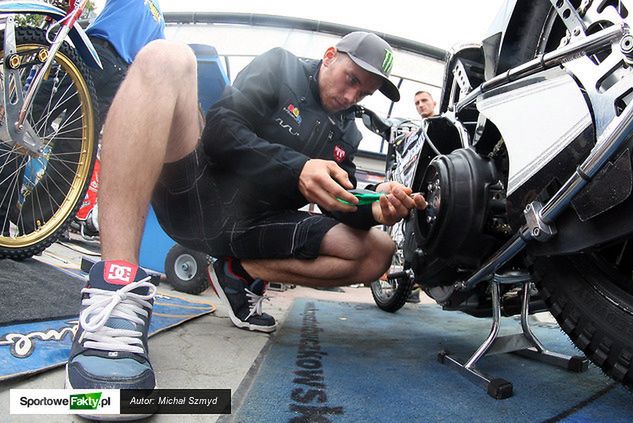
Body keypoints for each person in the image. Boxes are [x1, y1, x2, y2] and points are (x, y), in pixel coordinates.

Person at [65, 31, 427, 396]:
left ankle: (237, 272)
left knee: (378, 251)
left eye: (363, 93)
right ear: (330, 55)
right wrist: (297, 168)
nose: (351, 97)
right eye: (351, 80)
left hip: (257, 229)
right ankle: (115, 286)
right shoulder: (280, 66)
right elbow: (221, 132)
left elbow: (342, 199)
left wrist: (376, 205)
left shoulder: (349, 131)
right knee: (168, 57)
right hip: (197, 191)